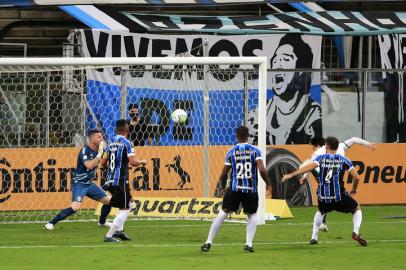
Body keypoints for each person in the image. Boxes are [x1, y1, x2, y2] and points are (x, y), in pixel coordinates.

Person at [282, 136, 367, 246]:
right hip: (339, 197)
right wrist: (354, 190)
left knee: (320, 211)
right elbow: (357, 177)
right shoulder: (344, 160)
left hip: (324, 197)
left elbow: (309, 167)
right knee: (356, 208)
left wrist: (291, 174)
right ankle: (356, 232)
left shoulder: (320, 158)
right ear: (337, 147)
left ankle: (314, 237)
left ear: (326, 146)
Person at [201, 126, 272, 253]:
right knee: (252, 214)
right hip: (250, 189)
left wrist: (223, 187)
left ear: (236, 136)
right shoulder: (255, 151)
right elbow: (261, 169)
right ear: (248, 136)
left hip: (234, 189)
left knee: (223, 212)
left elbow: (223, 174)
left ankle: (208, 242)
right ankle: (248, 245)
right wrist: (268, 183)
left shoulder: (231, 152)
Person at [246, 34, 322, 145]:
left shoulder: (313, 114)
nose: (278, 64)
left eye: (285, 59)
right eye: (275, 60)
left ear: (301, 71)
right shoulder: (259, 113)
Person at [299, 136, 376, 232]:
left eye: (313, 146)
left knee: (324, 197)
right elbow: (354, 139)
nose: (313, 149)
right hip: (336, 175)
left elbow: (310, 164)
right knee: (334, 195)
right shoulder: (341, 146)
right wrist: (368, 144)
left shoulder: (319, 152)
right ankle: (325, 223)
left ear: (319, 145)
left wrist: (304, 176)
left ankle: (320, 226)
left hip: (323, 175)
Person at [44, 130, 110, 230]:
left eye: (102, 137)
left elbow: (102, 165)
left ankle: (102, 222)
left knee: (109, 201)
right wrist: (99, 154)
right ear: (92, 139)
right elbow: (89, 165)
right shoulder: (85, 151)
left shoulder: (100, 151)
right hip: (79, 183)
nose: (102, 139)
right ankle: (51, 223)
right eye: (99, 137)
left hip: (89, 184)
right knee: (75, 207)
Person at [100, 119, 147, 242]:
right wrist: (142, 162)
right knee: (125, 208)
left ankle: (119, 231)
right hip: (120, 180)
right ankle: (109, 236)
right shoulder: (127, 143)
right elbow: (133, 162)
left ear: (117, 130)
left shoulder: (110, 143)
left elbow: (102, 164)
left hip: (110, 180)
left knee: (131, 203)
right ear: (127, 130)